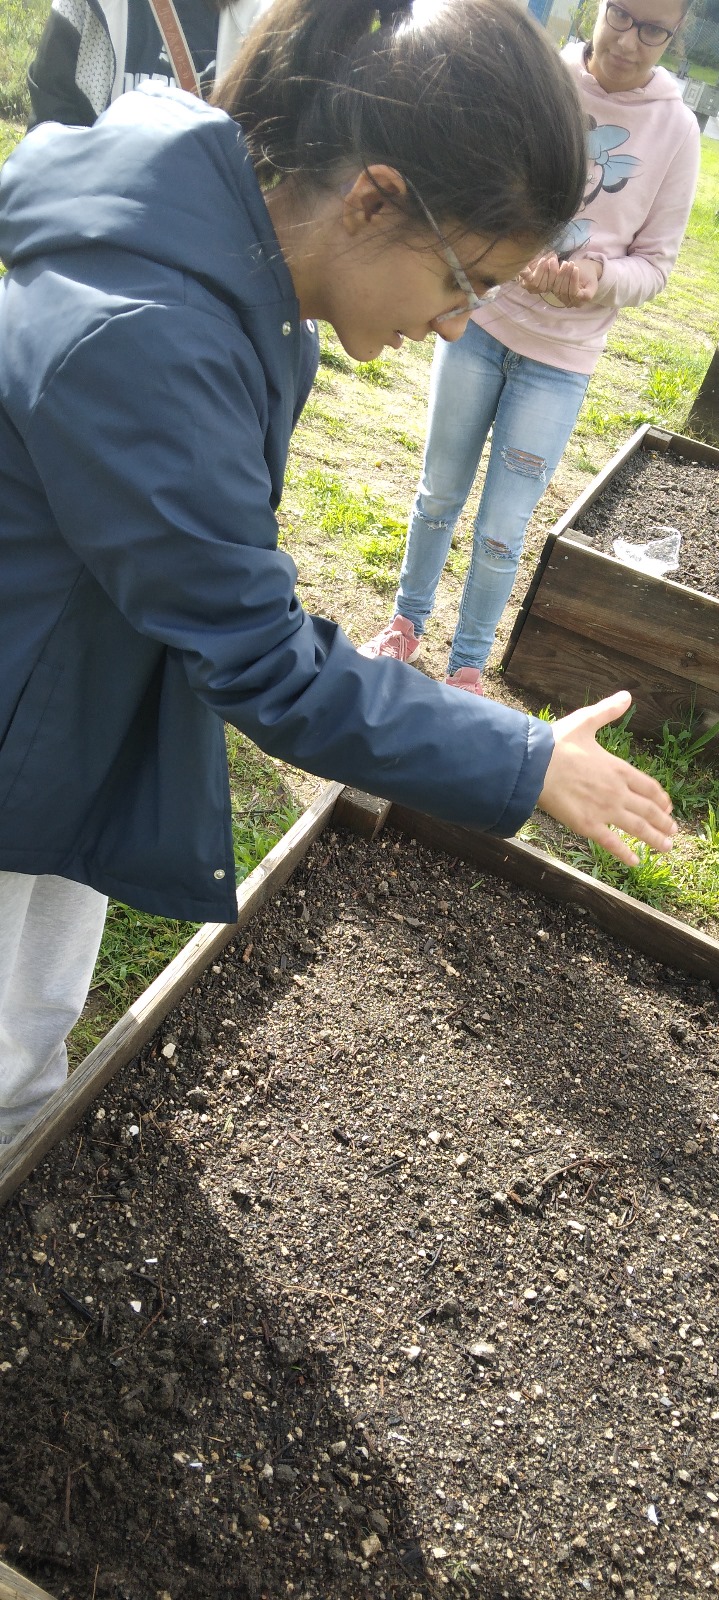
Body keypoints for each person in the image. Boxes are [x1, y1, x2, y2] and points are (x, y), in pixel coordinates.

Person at [0, 0, 676, 1146]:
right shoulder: (153, 335)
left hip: (60, 701)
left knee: (31, 1026)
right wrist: (517, 759)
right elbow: (267, 663)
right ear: (371, 199)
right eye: (465, 279)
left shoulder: (222, 246)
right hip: (24, 711)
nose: (458, 327)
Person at [362, 0, 700, 695]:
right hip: (480, 326)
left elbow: (657, 265)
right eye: (620, 15)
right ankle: (404, 625)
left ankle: (466, 667)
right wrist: (512, 251)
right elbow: (485, 189)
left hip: (560, 364)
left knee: (501, 530)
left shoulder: (676, 129)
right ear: (597, 6)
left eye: (652, 30)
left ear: (676, 35)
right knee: (437, 493)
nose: (628, 40)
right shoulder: (543, 81)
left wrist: (596, 275)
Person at [27, 0, 275, 129]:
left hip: (206, 211)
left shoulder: (263, 18)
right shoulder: (88, 6)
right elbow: (49, 123)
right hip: (97, 205)